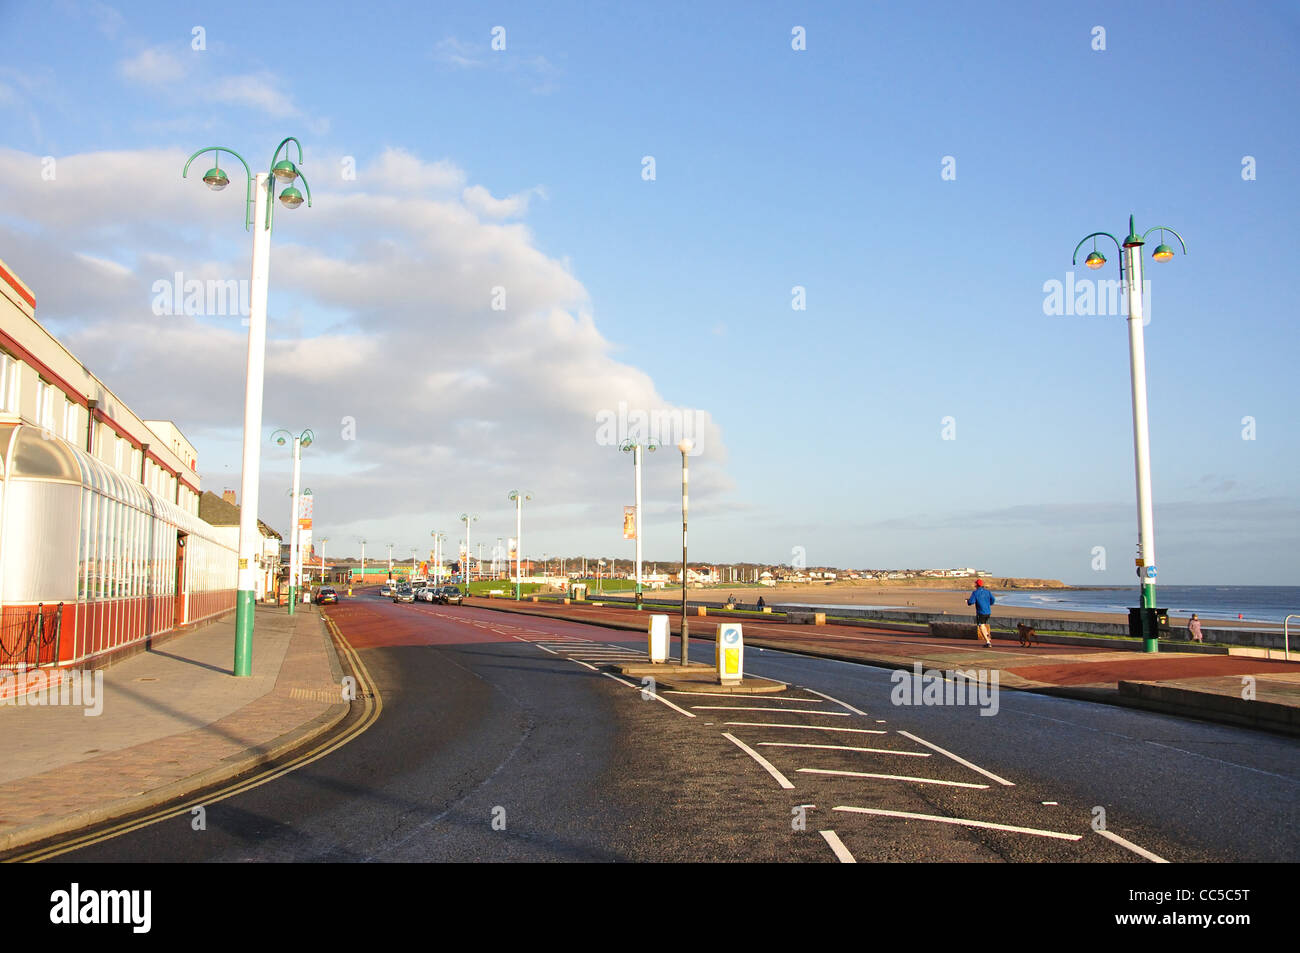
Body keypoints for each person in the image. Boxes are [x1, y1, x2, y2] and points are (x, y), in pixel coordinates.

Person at [966, 579, 995, 647]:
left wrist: (967, 601)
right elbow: (993, 599)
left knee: (981, 626)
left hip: (980, 612)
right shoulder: (987, 592)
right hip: (988, 611)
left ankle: (988, 642)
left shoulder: (975, 593)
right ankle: (987, 635)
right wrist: (989, 604)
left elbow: (971, 602)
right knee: (983, 624)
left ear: (977, 585)